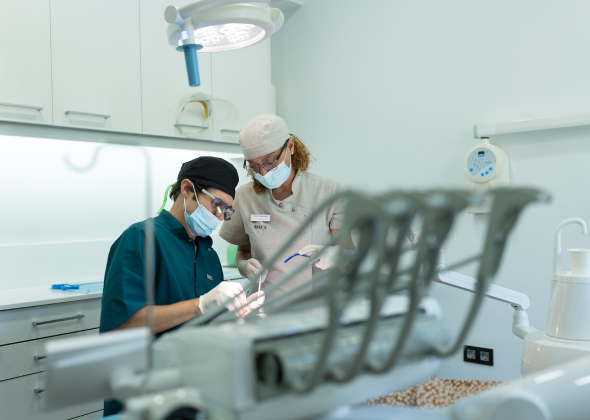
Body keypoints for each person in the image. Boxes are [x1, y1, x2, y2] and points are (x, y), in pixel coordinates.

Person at [100, 156, 251, 416]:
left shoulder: (207, 253)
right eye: (216, 205)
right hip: (143, 393)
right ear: (187, 189)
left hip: (193, 391)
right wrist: (201, 305)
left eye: (226, 210)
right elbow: (122, 326)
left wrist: (239, 315)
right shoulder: (141, 238)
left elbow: (206, 327)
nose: (219, 217)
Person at [219, 114, 353, 295]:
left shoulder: (328, 191)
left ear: (290, 146)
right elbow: (243, 251)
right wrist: (244, 265)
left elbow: (351, 255)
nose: (264, 173)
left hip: (316, 303)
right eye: (254, 166)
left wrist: (336, 256)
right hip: (265, 303)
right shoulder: (244, 197)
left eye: (270, 162)